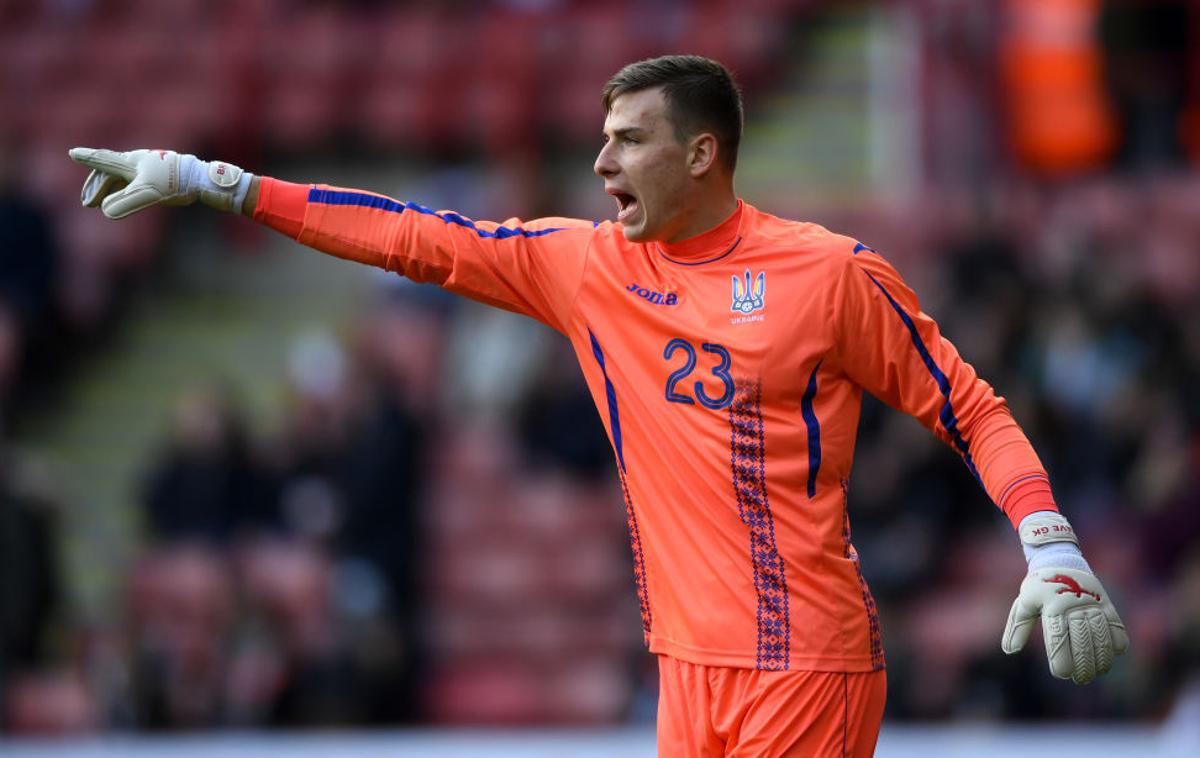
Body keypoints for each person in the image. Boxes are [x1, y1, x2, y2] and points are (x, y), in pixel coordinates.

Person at [69, 55, 1127, 756]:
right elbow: (413, 236)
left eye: (628, 140)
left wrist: (1050, 541)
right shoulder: (588, 269)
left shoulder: (828, 275)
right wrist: (219, 182)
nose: (600, 161)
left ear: (702, 153)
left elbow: (971, 405)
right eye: (602, 136)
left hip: (802, 661)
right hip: (684, 671)